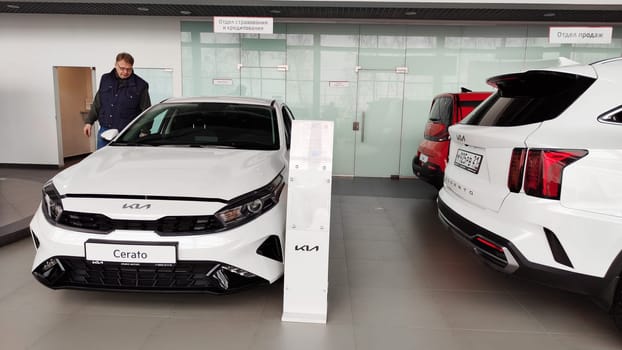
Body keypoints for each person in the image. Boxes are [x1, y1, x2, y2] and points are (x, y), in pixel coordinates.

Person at [83, 52, 151, 149]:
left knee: (124, 162)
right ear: (115, 64)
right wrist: (89, 122)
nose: (125, 72)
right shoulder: (105, 79)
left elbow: (146, 110)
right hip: (105, 131)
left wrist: (145, 132)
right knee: (102, 161)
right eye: (122, 68)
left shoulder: (140, 85)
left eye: (128, 69)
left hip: (128, 134)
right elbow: (97, 103)